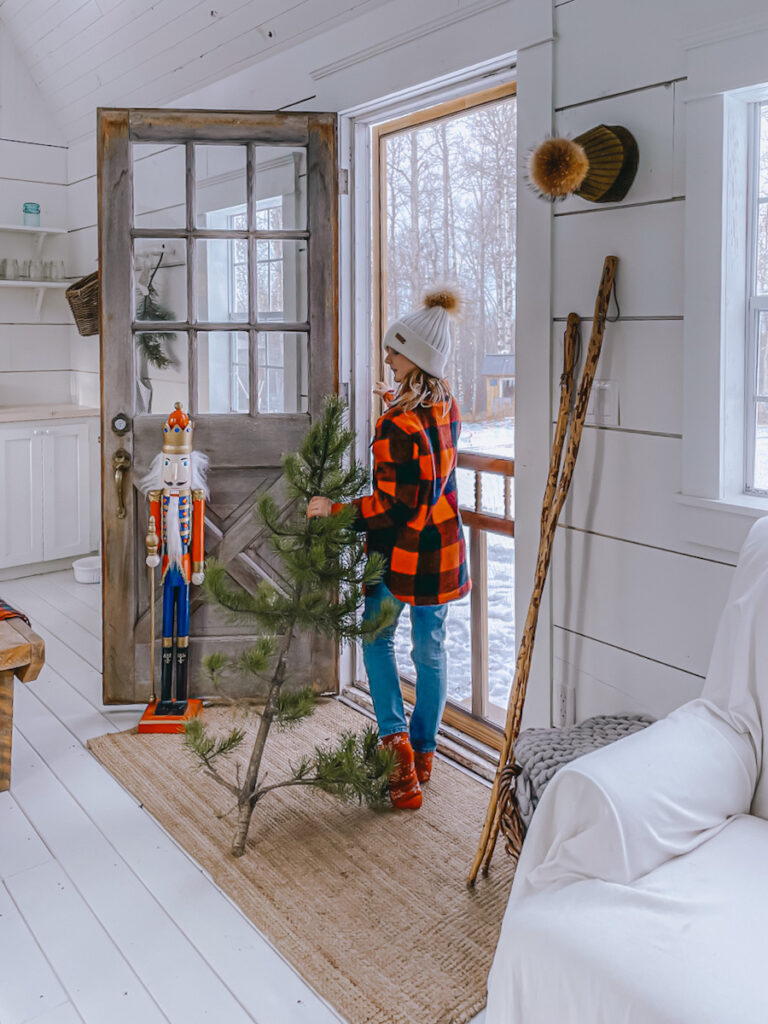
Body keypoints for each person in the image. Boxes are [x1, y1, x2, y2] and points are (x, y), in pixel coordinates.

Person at [307, 288, 470, 810]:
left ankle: (397, 758)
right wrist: (395, 396)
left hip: (402, 554)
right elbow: (423, 464)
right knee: (431, 651)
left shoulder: (395, 425)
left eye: (394, 354)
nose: (387, 359)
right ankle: (423, 753)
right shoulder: (446, 407)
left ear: (414, 362)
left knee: (376, 641)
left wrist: (334, 511)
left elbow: (390, 507)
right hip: (441, 548)